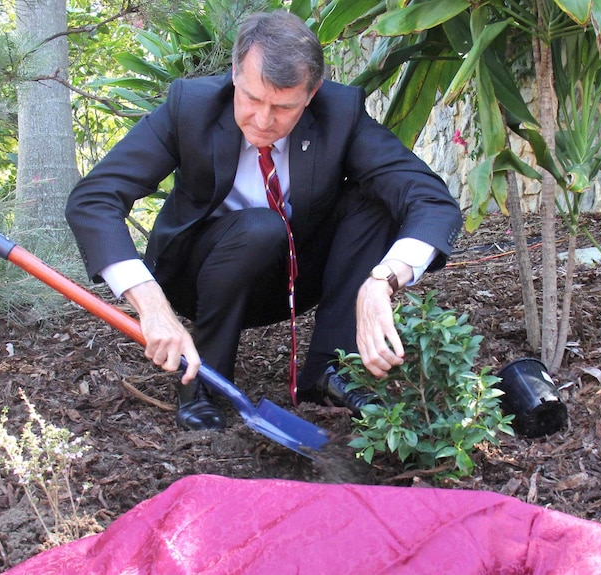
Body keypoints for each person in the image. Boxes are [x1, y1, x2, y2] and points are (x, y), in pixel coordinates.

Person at [66, 10, 462, 432]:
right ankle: (203, 381)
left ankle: (330, 371)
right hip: (197, 277)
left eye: (284, 107)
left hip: (292, 276)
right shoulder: (191, 106)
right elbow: (94, 199)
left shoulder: (340, 113)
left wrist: (383, 280)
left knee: (376, 200)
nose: (262, 120)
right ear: (235, 74)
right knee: (259, 227)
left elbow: (431, 201)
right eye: (252, 99)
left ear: (312, 94)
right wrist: (149, 302)